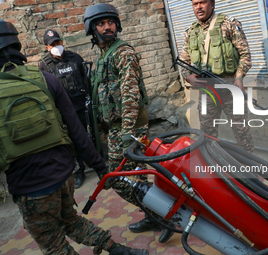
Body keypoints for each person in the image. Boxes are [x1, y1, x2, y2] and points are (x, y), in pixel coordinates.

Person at [0, 19, 148, 255]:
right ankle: (120, 249)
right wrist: (100, 167)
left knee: (54, 245)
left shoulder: (77, 60)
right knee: (70, 220)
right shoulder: (43, 77)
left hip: (30, 186)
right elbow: (77, 132)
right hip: (63, 174)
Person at [83, 3, 174, 243]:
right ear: (92, 29)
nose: (107, 27)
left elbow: (131, 94)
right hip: (117, 128)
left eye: (110, 22)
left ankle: (162, 215)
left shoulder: (122, 52)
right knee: (135, 179)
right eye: (101, 24)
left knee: (119, 180)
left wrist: (126, 136)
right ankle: (156, 215)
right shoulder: (104, 55)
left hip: (130, 128)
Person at [181, 0, 254, 153]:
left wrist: (239, 78)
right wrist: (188, 78)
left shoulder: (229, 24)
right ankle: (213, 166)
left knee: (241, 132)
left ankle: (249, 169)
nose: (199, 7)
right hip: (206, 90)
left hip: (229, 87)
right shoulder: (190, 32)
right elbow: (184, 62)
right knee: (207, 133)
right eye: (195, 4)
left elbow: (245, 55)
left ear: (212, 3)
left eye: (202, 2)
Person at [38, 29, 89, 189]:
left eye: (58, 42)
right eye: (52, 44)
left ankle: (92, 163)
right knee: (70, 143)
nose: (57, 46)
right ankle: (78, 171)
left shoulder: (75, 58)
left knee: (83, 138)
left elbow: (87, 80)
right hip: (62, 113)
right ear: (47, 47)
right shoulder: (44, 65)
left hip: (81, 108)